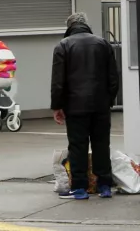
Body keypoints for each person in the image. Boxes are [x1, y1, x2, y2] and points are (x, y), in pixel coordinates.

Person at [51, 12, 119, 200]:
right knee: (101, 144)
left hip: (74, 106)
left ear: (69, 26)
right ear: (86, 25)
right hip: (100, 105)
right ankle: (104, 185)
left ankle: (80, 188)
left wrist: (57, 106)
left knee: (78, 146)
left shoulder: (63, 46)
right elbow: (113, 77)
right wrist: (108, 100)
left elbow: (58, 81)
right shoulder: (103, 44)